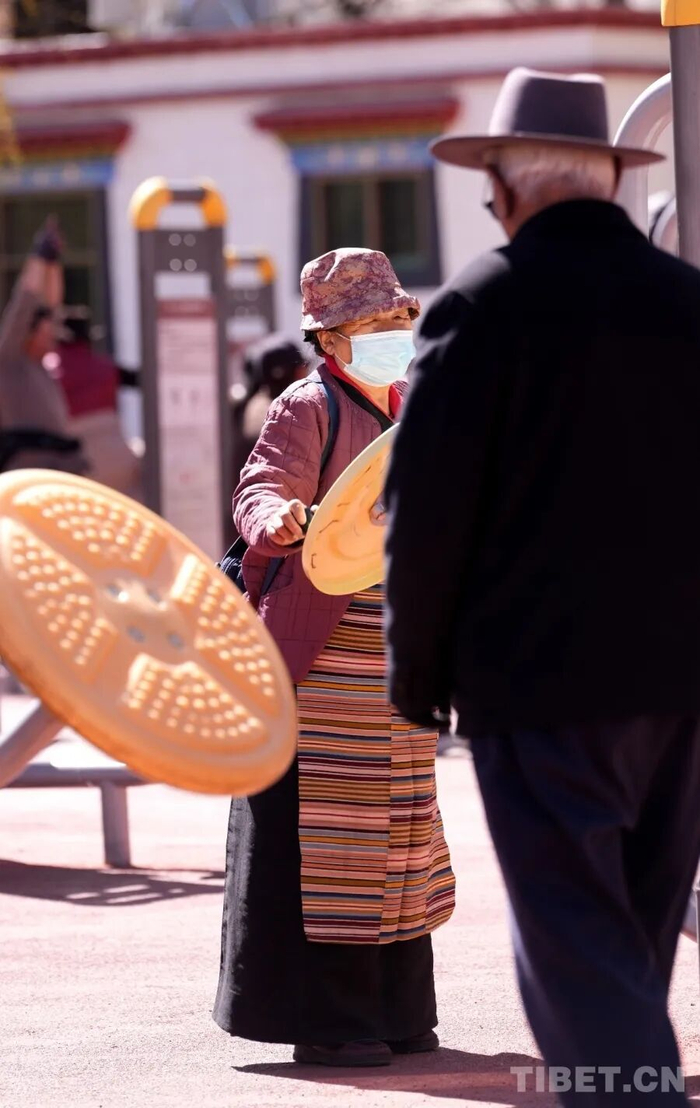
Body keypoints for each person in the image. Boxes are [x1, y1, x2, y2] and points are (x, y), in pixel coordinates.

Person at [385, 68, 700, 1105]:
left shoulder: (480, 306)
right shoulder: (685, 301)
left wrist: (415, 674)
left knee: (576, 943)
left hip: (541, 683)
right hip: (681, 682)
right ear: (606, 182)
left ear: (509, 190)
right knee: (630, 940)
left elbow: (424, 518)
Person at [214, 248, 455, 1067]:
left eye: (397, 323)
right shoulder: (304, 408)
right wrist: (278, 515)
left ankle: (398, 1008)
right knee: (332, 840)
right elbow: (258, 488)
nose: (391, 336)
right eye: (372, 325)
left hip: (395, 657)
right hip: (322, 657)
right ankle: (329, 1019)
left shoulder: (414, 406)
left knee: (401, 833)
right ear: (331, 340)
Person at [0, 219, 89, 475]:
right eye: (46, 328)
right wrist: (39, 256)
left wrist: (53, 262)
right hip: (29, 477)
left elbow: (51, 304)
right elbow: (24, 301)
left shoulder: (41, 364)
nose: (54, 333)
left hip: (62, 470)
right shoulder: (10, 361)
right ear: (28, 332)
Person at [55, 308, 143, 498]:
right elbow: (143, 381)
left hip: (77, 464)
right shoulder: (107, 367)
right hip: (119, 457)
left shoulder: (47, 372)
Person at [231, 334, 308, 479]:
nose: (306, 375)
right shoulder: (271, 412)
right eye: (301, 369)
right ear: (282, 373)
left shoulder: (259, 402)